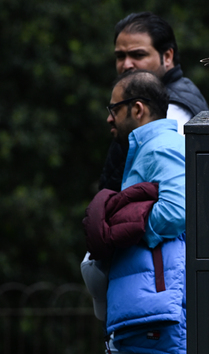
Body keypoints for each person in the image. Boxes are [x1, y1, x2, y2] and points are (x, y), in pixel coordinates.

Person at [82, 70, 187, 353]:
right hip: (146, 315)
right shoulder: (149, 148)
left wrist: (130, 231)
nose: (109, 118)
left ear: (137, 109)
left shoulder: (162, 147)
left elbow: (176, 211)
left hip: (156, 317)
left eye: (114, 109)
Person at [100, 11, 209, 191]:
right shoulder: (157, 98)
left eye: (138, 55)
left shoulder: (173, 110)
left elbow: (175, 200)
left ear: (167, 57)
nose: (126, 64)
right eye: (120, 56)